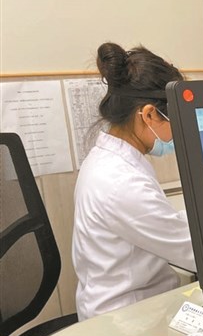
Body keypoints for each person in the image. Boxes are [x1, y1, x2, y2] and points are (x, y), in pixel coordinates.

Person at [72, 43, 195, 321]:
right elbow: (193, 251)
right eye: (175, 117)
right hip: (123, 318)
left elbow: (163, 223)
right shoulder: (121, 182)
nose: (179, 128)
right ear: (149, 114)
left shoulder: (112, 159)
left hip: (134, 301)